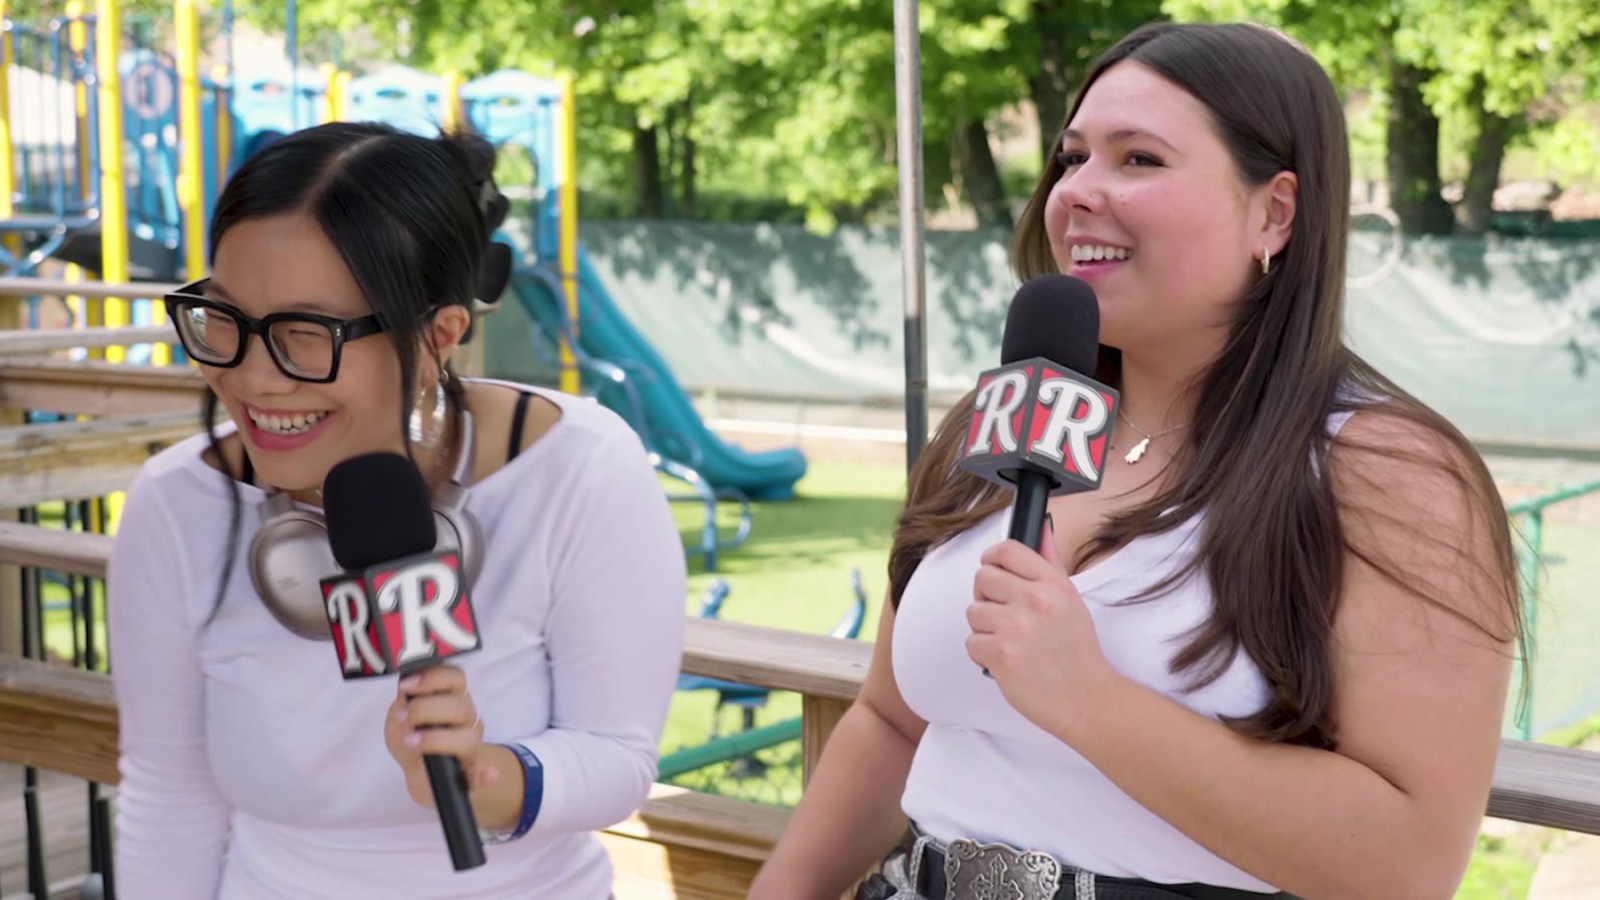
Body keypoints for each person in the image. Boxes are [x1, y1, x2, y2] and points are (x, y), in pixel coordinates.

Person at [750, 21, 1522, 900]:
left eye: (1139, 159)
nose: (1077, 191)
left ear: (1274, 213)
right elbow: (891, 721)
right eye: (1071, 157)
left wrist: (1089, 700)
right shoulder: (1007, 413)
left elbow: (1409, 864)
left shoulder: (1384, 470)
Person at [107, 122, 688, 899]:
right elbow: (168, 796)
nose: (253, 377)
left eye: (304, 334)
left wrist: (486, 774)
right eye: (224, 319)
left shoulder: (580, 468)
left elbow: (616, 754)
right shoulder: (177, 506)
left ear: (437, 336)